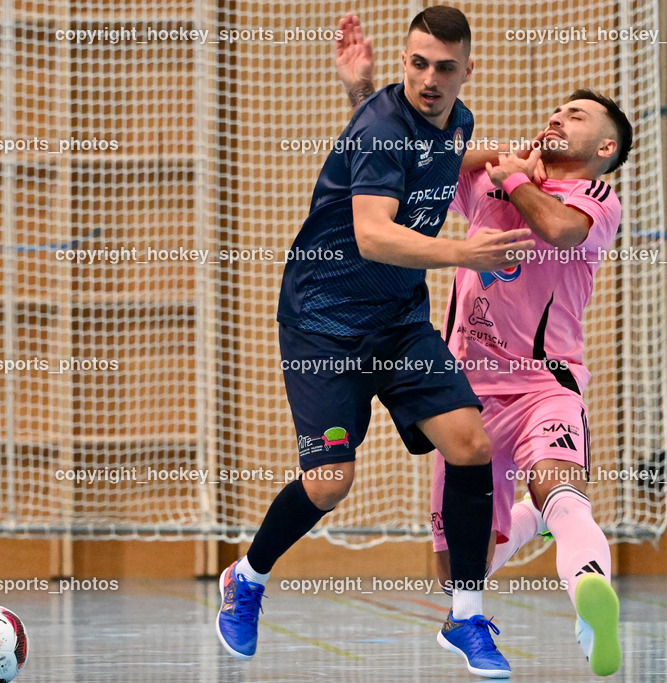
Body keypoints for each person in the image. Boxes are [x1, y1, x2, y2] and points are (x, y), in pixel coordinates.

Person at [216, 7, 537, 677]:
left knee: (471, 444)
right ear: (404, 61)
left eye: (444, 67)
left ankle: (466, 614)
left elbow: (442, 153)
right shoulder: (384, 125)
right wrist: (463, 251)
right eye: (417, 63)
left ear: (466, 72)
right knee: (330, 480)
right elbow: (372, 234)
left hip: (395, 321)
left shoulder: (459, 121)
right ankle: (247, 577)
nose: (428, 77)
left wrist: (517, 160)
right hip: (323, 323)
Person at [336, 13, 632, 677]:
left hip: (543, 383)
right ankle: (519, 544)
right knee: (455, 565)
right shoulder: (491, 179)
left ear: (606, 147)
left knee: (562, 485)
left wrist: (515, 174)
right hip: (466, 394)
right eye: (558, 109)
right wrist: (361, 94)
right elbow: (407, 159)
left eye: (578, 116)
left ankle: (592, 594)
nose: (560, 117)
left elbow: (557, 230)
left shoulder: (595, 196)